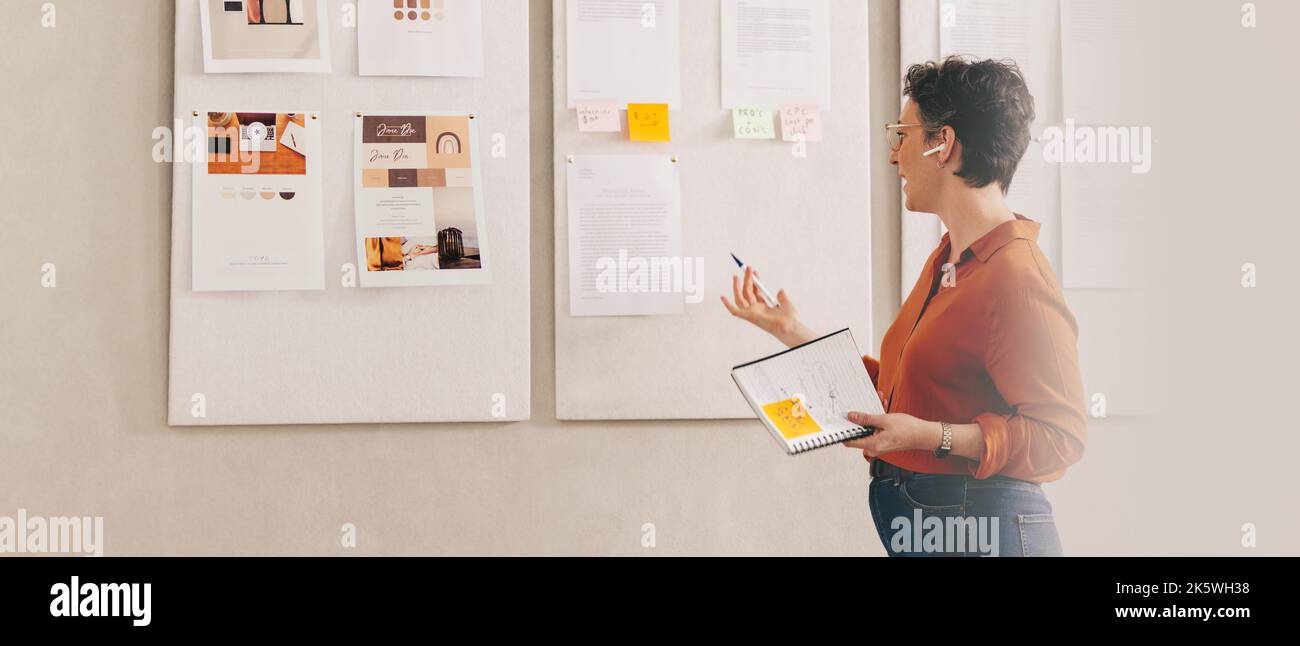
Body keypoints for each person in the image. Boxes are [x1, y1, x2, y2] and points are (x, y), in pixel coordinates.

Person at [721, 57, 1087, 557]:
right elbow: (902, 393)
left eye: (902, 135)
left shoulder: (1017, 278)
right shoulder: (948, 258)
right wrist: (793, 331)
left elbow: (1059, 438)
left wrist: (930, 437)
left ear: (944, 145)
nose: (894, 156)